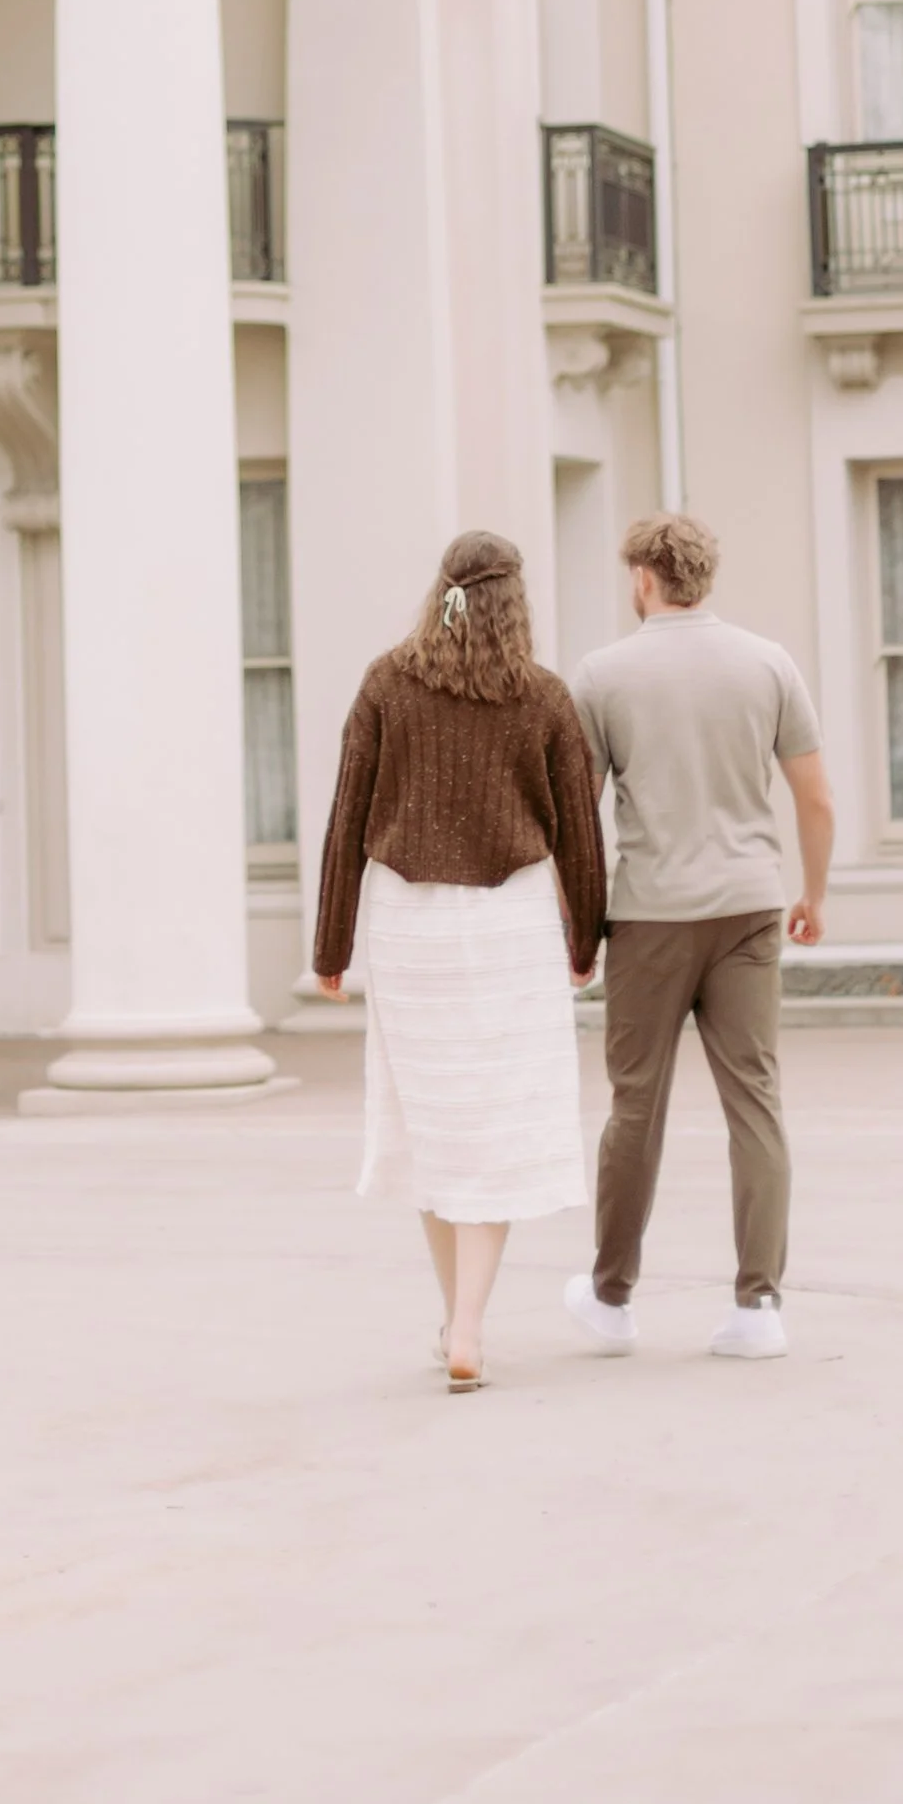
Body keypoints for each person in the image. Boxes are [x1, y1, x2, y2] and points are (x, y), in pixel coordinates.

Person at [313, 529, 608, 1392]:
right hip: (509, 927)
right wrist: (585, 938)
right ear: (516, 601)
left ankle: (456, 1324)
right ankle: (469, 1323)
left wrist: (331, 946)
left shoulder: (386, 682)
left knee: (434, 1126)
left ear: (440, 590)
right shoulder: (543, 697)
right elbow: (580, 833)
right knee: (493, 1129)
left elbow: (346, 817)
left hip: (409, 929)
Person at [564, 510, 834, 1363]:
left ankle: (612, 1301)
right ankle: (759, 1307)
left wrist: (579, 931)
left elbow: (577, 819)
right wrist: (813, 894)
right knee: (755, 1101)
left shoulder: (602, 675)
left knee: (635, 1106)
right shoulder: (769, 664)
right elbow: (816, 798)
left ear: (644, 578)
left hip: (648, 916)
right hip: (749, 909)